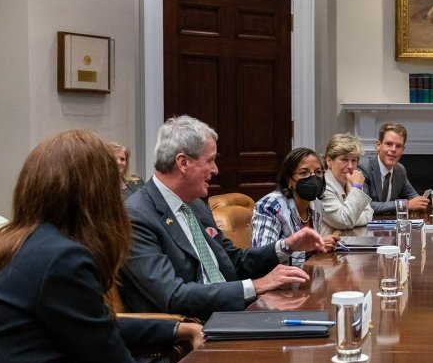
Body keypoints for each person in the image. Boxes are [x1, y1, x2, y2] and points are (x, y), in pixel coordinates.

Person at [0, 130, 201, 363]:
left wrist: (175, 327)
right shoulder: (62, 257)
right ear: (97, 193)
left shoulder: (18, 242)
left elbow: (92, 325)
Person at [120, 116, 325, 321]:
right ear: (183, 162)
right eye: (210, 160)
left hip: (230, 316)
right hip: (196, 329)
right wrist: (256, 286)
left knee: (318, 320)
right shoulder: (137, 216)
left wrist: (286, 246)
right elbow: (173, 295)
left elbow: (234, 262)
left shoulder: (195, 205)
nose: (216, 169)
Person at [251, 148, 339, 260]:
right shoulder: (271, 206)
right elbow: (262, 257)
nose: (313, 178)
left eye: (318, 172)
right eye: (304, 173)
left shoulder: (316, 205)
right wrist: (313, 247)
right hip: (277, 276)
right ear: (289, 180)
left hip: (307, 273)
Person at [360, 122, 429, 215]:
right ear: (378, 145)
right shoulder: (364, 168)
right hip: (366, 226)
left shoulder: (400, 170)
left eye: (398, 146)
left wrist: (420, 202)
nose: (393, 149)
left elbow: (413, 197)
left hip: (392, 226)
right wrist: (404, 205)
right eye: (389, 144)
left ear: (403, 150)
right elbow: (364, 206)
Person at [319, 133, 373, 231]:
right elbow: (344, 221)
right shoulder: (322, 186)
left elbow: (369, 214)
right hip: (328, 245)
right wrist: (357, 187)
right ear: (329, 161)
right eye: (344, 160)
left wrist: (351, 218)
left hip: (348, 240)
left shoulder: (351, 183)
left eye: (354, 160)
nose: (350, 166)